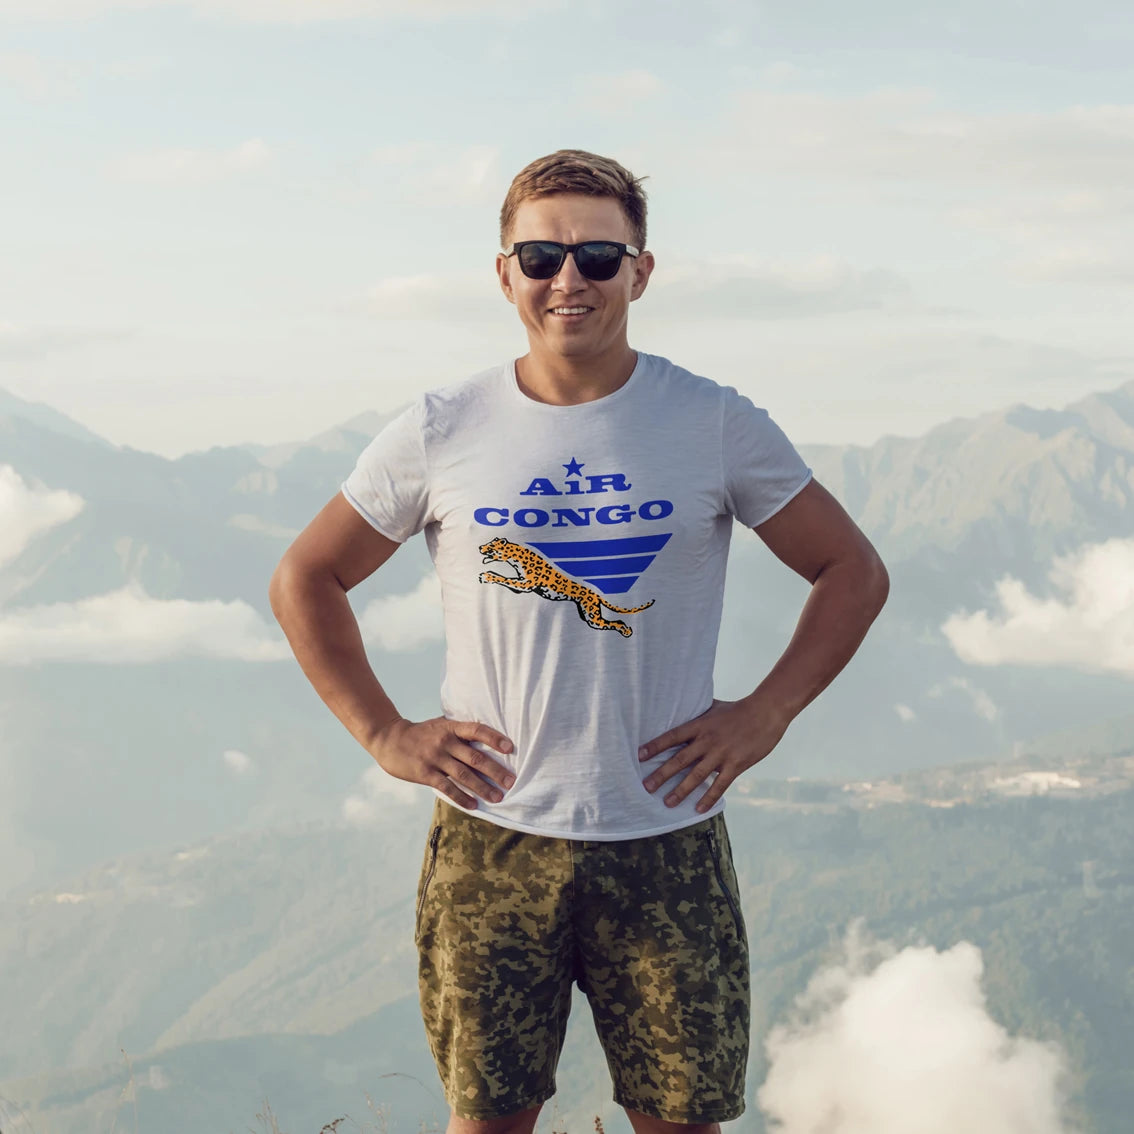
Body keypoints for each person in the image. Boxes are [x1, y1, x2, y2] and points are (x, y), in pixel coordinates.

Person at [269, 149, 888, 1134]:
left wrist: (765, 715)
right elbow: (306, 577)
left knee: (682, 1121)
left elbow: (852, 570)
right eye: (542, 255)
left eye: (600, 255)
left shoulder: (713, 422)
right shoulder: (441, 428)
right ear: (505, 272)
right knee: (490, 1121)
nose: (571, 279)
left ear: (641, 271)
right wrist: (384, 734)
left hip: (664, 833)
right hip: (492, 833)